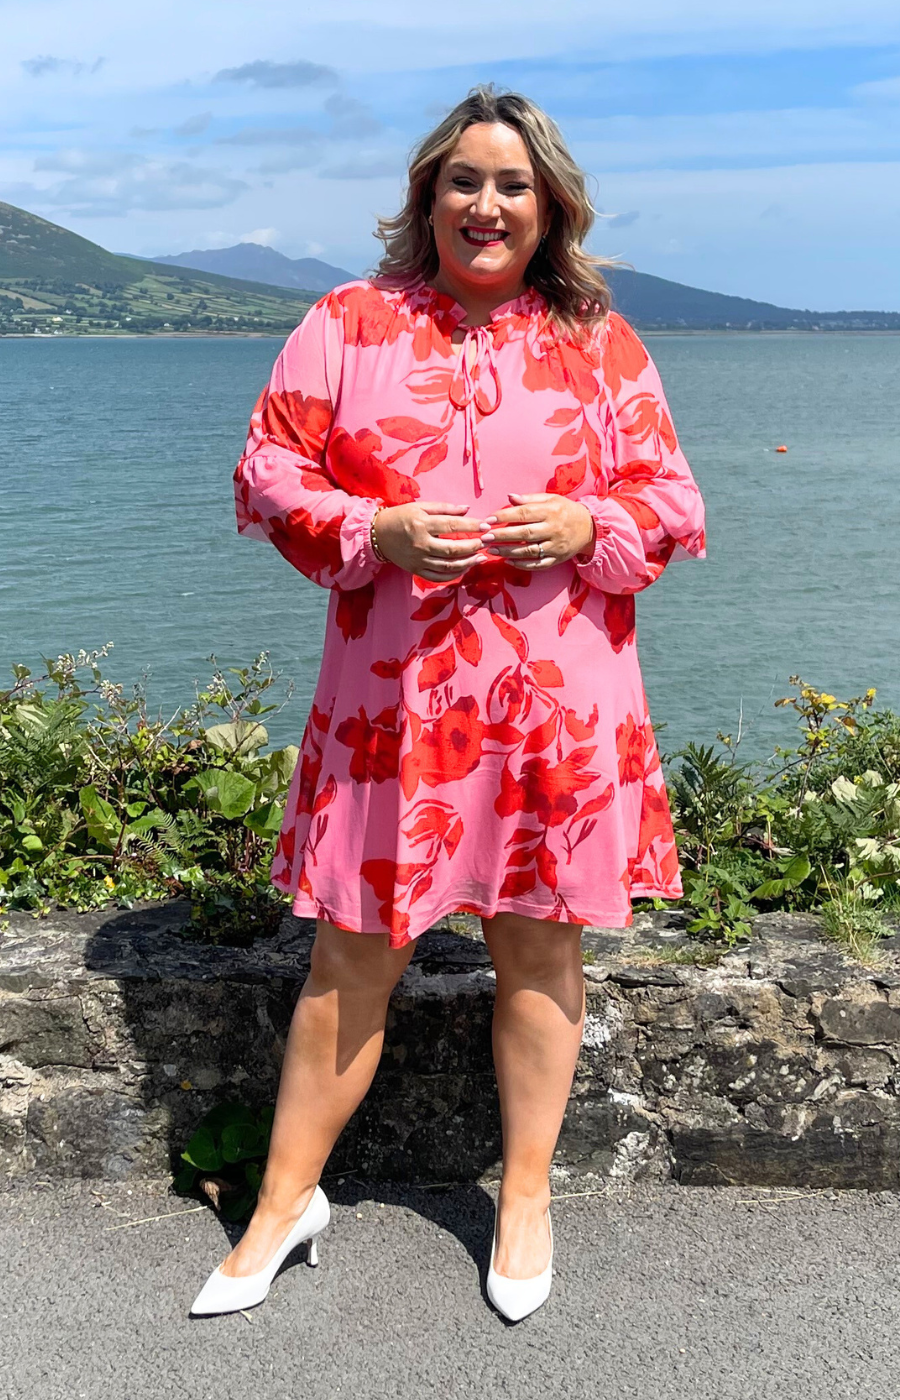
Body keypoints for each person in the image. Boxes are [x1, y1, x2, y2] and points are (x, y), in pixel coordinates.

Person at [190, 83, 705, 1323]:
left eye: (512, 185)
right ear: (427, 197)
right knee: (351, 952)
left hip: (555, 703)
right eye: (463, 180)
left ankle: (523, 1192)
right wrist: (375, 526)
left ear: (550, 208)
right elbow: (268, 470)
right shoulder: (347, 324)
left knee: (540, 938)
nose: (486, 203)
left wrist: (590, 520)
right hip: (396, 706)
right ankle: (281, 1202)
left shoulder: (600, 341)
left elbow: (674, 501)